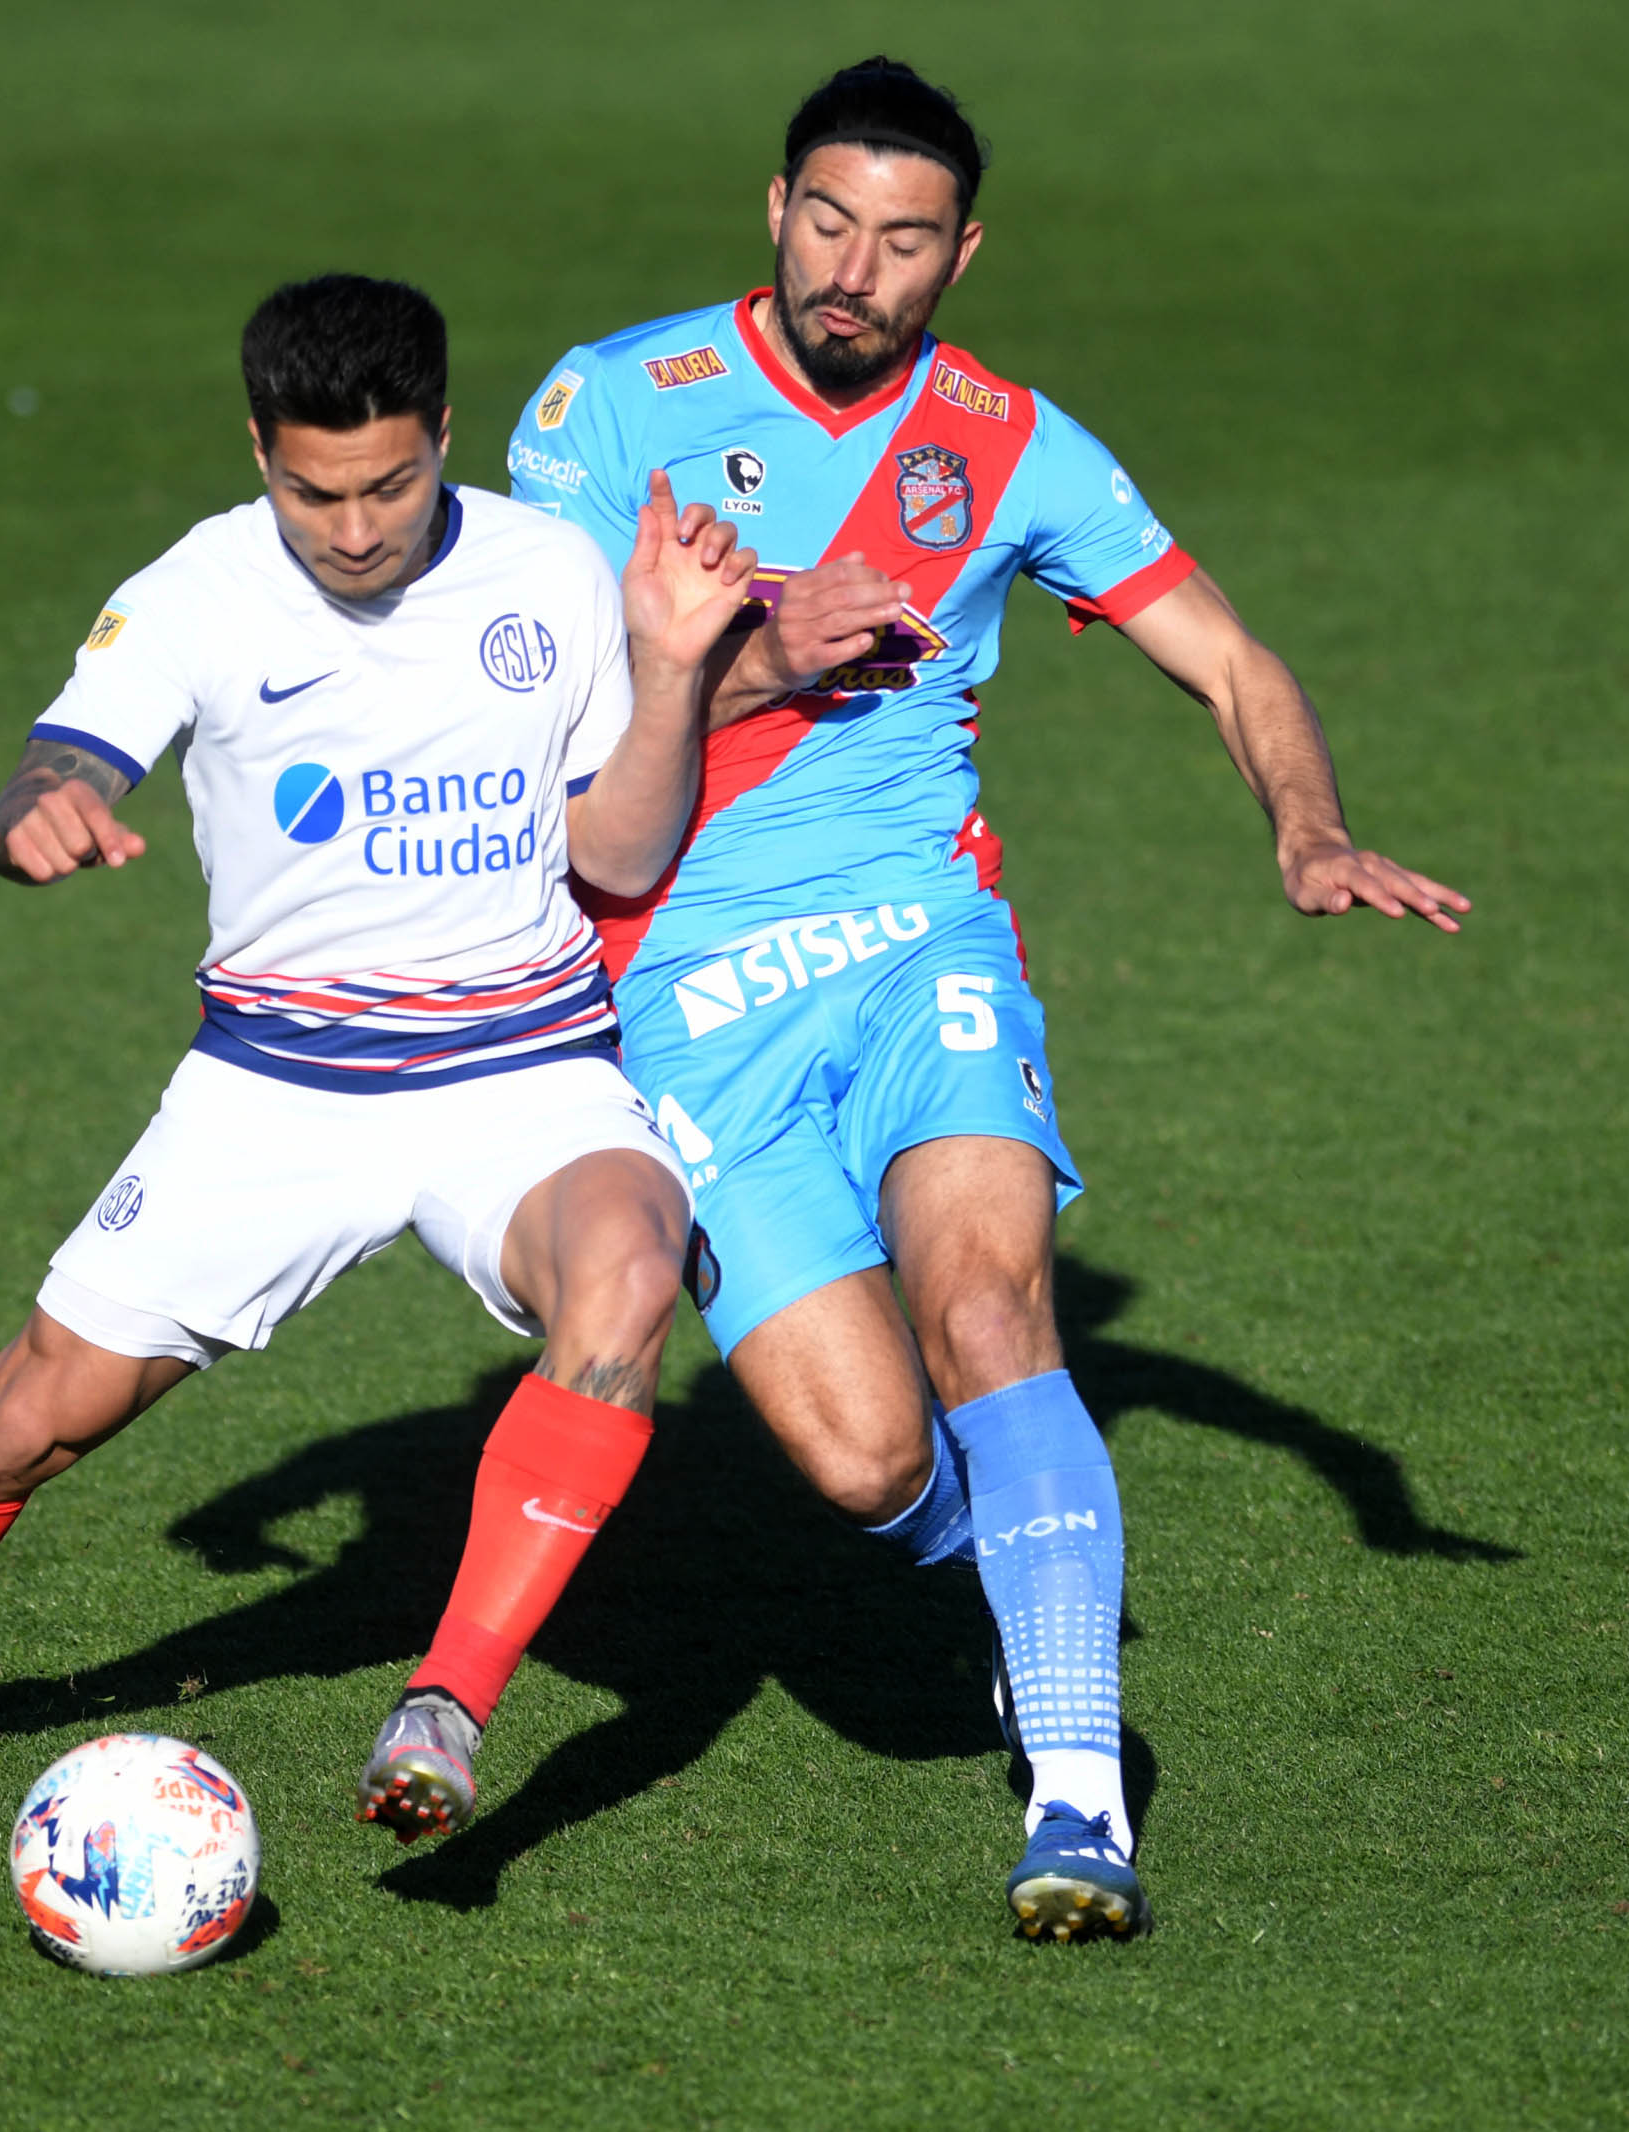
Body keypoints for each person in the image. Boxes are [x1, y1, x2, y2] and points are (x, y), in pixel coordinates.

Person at [0, 274, 757, 1851]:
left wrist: (676, 668)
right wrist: (35, 818)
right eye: (309, 491)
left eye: (387, 487)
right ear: (255, 451)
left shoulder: (551, 574)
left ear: (442, 437)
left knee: (627, 1277)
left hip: (521, 1067)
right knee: (28, 1415)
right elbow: (63, 757)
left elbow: (616, 863)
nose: (350, 530)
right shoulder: (199, 590)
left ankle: (448, 1700)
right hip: (273, 1093)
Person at [508, 59, 1471, 1940]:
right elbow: (536, 733)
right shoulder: (612, 405)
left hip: (915, 950)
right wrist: (763, 656)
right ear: (769, 207)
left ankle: (1079, 1790)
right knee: (868, 1459)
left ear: (964, 251)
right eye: (826, 222)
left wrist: (1308, 823)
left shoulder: (1009, 442)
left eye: (903, 238)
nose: (852, 271)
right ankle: (1014, 1561)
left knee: (987, 1310)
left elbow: (1229, 652)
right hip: (682, 1003)